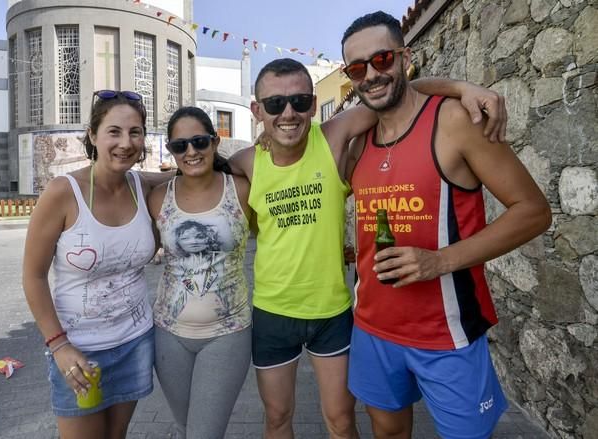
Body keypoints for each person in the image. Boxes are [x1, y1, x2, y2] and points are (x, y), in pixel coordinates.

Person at [227, 56, 507, 439]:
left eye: (300, 101)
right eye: (275, 104)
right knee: (276, 419)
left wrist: (462, 88)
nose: (288, 113)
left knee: (341, 422)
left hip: (333, 311)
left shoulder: (333, 137)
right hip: (272, 312)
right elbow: (192, 172)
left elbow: (397, 95)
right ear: (257, 110)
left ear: (312, 104)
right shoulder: (246, 163)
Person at [342, 12, 551, 439]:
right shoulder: (357, 140)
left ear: (405, 57)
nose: (372, 75)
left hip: (447, 331)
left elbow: (532, 210)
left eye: (382, 59)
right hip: (372, 326)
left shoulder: (454, 121)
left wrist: (440, 261)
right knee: (386, 430)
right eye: (358, 68)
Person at [22, 90, 157, 439]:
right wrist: (59, 346)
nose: (125, 143)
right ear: (93, 135)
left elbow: (196, 168)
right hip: (79, 352)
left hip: (136, 341)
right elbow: (33, 276)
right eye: (114, 131)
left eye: (135, 132)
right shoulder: (63, 192)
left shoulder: (142, 186)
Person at [147, 106, 252, 439]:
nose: (191, 151)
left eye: (199, 141)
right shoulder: (158, 198)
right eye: (180, 146)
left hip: (228, 333)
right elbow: (140, 249)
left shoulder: (242, 189)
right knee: (184, 427)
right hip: (168, 333)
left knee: (203, 433)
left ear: (215, 142)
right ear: (171, 151)